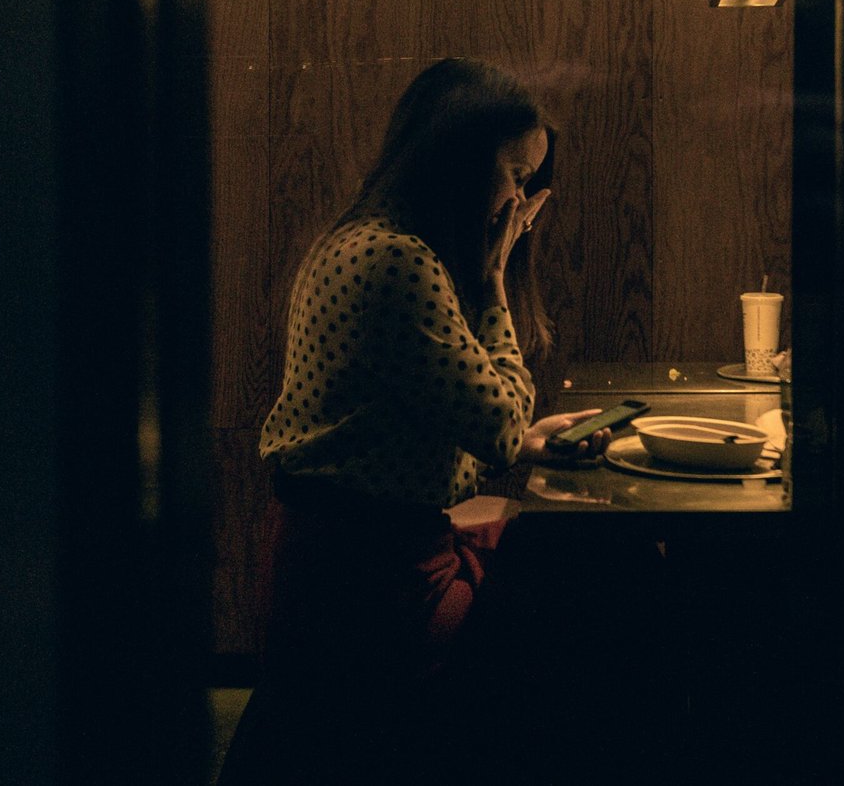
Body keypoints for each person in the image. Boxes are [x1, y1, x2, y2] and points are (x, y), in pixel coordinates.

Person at [216, 58, 616, 784]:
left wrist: (522, 439)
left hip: (338, 555)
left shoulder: (361, 238)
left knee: (558, 562)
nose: (519, 199)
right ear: (457, 164)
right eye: (513, 175)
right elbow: (494, 428)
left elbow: (405, 422)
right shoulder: (397, 261)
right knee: (589, 592)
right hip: (368, 586)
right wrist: (496, 280)